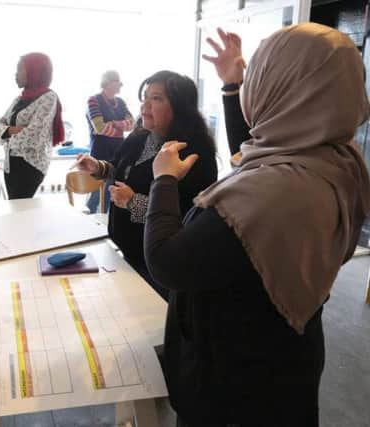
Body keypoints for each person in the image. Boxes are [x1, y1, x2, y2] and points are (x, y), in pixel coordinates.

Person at [144, 23, 370, 426]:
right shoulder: (334, 158)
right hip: (283, 364)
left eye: (262, 74)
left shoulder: (271, 194)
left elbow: (167, 262)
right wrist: (233, 86)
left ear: (281, 87)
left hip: (235, 382)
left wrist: (163, 179)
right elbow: (258, 149)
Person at [75, 71, 217, 299]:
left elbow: (187, 217)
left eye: (157, 99)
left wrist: (133, 202)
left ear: (180, 107)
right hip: (124, 256)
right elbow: (119, 168)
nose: (145, 106)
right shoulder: (141, 136)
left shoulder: (194, 153)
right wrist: (98, 167)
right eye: (145, 98)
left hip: (158, 270)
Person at [0, 52, 65, 199]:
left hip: (29, 166)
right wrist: (12, 130)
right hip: (10, 165)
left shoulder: (49, 97)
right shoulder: (19, 98)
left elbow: (34, 137)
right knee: (15, 211)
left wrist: (5, 136)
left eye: (20, 69)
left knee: (22, 214)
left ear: (34, 71)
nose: (15, 74)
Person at [85, 70, 135, 213]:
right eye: (118, 82)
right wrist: (120, 127)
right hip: (100, 153)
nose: (121, 85)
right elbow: (99, 127)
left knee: (110, 192)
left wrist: (113, 124)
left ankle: (102, 225)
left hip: (118, 154)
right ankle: (88, 223)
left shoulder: (120, 102)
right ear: (108, 82)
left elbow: (131, 124)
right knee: (95, 193)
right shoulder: (94, 100)